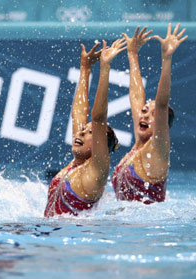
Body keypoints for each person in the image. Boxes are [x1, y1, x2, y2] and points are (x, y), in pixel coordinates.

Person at [44, 40, 123, 217]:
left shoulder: (97, 169)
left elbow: (98, 117)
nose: (80, 132)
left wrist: (104, 68)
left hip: (72, 238)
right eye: (84, 130)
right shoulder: (77, 164)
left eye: (90, 133)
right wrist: (85, 69)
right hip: (54, 233)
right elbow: (79, 112)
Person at [112, 24, 185, 204]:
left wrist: (166, 59)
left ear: (162, 124)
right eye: (144, 111)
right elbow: (137, 96)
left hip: (147, 225)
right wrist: (132, 54)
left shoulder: (158, 147)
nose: (143, 115)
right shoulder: (139, 144)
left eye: (152, 115)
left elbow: (161, 104)